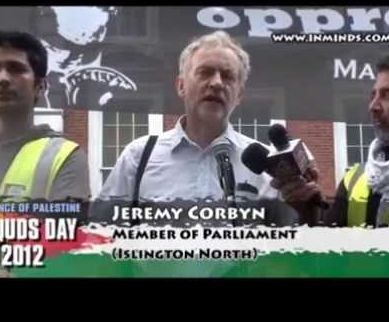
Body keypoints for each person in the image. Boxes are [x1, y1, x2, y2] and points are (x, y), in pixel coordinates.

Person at [93, 31, 308, 226]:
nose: (216, 83)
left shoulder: (268, 168)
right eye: (205, 72)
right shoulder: (138, 156)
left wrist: (307, 208)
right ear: (181, 86)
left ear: (239, 95)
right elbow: (101, 237)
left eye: (228, 76)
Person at [273, 53, 389, 227]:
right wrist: (307, 212)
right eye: (373, 96)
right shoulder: (354, 179)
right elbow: (331, 250)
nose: (373, 106)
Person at [0, 30, 91, 201]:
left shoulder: (65, 157)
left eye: (16, 69)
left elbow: (65, 225)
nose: (2, 78)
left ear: (40, 86)